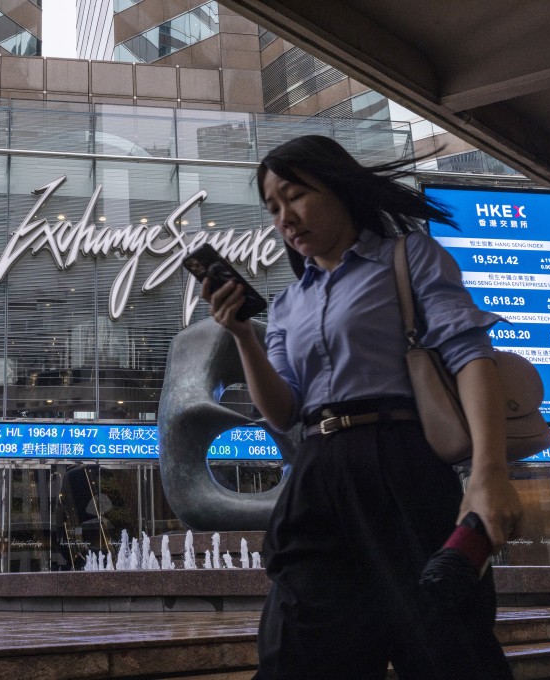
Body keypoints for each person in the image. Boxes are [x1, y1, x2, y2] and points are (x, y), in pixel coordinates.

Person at [203, 135, 521, 679]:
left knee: (446, 646)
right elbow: (282, 412)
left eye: (297, 195)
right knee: (294, 653)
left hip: (402, 465)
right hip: (316, 473)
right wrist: (243, 338)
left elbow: (470, 356)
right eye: (274, 207)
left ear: (341, 189)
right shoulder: (285, 305)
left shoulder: (408, 257)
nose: (285, 217)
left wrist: (488, 474)